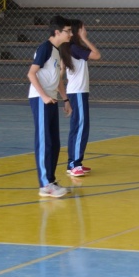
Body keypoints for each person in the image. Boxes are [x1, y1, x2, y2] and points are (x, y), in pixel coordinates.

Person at [28, 15, 72, 198]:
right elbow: (31, 74)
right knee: (44, 141)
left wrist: (65, 99)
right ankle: (45, 185)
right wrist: (44, 96)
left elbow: (57, 79)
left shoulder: (56, 51)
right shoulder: (45, 48)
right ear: (57, 32)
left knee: (54, 142)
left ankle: (51, 180)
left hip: (51, 99)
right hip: (41, 99)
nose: (70, 34)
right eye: (67, 31)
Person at [59, 19, 101, 177]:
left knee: (77, 128)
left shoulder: (71, 48)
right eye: (84, 29)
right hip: (77, 93)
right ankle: (74, 164)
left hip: (76, 92)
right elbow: (97, 55)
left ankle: (74, 163)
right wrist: (84, 39)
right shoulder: (75, 48)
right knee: (81, 128)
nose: (86, 30)